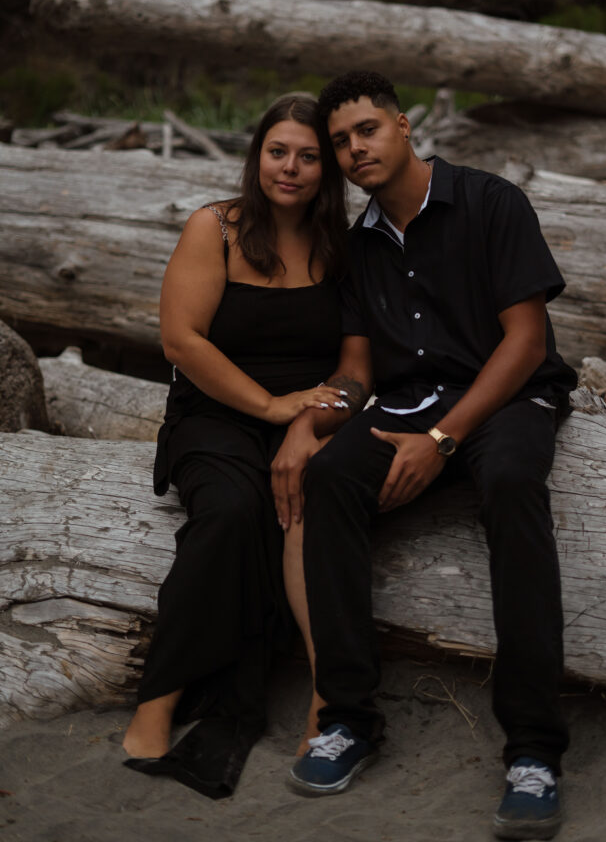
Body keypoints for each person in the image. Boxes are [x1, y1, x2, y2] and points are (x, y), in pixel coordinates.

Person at [272, 72, 577, 839]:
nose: (352, 150)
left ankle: (533, 750)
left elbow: (526, 341)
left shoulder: (488, 201)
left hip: (507, 395)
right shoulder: (359, 241)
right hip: (407, 401)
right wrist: (315, 417)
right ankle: (347, 717)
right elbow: (358, 369)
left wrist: (441, 444)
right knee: (331, 477)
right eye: (339, 141)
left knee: (509, 482)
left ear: (405, 127)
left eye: (365, 131)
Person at [122, 92, 349, 798]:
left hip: (303, 421)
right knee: (226, 513)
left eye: (309, 156)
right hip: (215, 414)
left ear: (327, 168)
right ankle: (158, 701)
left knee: (309, 508)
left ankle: (329, 700)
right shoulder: (213, 228)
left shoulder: (342, 243)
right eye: (278, 151)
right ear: (256, 157)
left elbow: (357, 357)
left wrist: (310, 419)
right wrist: (267, 404)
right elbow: (180, 340)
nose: (291, 167)